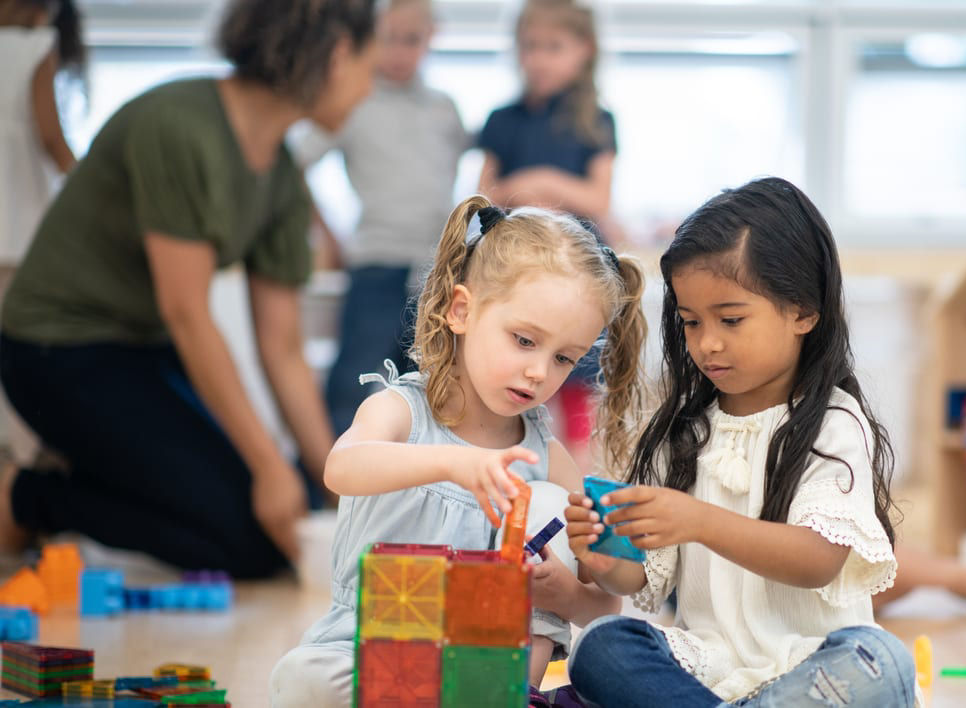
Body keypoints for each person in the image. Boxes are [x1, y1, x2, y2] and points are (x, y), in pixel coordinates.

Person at [0, 0, 378, 577]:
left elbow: (283, 350)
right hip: (56, 350)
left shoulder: (280, 177)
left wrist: (336, 488)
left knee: (288, 505)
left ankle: (95, 470)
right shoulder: (180, 125)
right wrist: (267, 469)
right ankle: (28, 496)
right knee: (246, 542)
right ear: (338, 53)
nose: (368, 90)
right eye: (370, 70)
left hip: (142, 351)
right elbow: (187, 313)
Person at [269, 195, 648, 707]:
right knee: (301, 677)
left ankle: (519, 696)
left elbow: (607, 606)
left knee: (546, 500)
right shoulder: (402, 410)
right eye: (523, 340)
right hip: (372, 651)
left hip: (487, 671)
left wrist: (569, 592)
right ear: (461, 310)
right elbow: (341, 468)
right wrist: (455, 462)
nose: (540, 372)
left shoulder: (544, 454)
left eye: (563, 358)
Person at [565, 177, 920, 707]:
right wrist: (600, 556)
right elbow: (642, 578)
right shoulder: (684, 430)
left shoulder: (833, 423)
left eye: (731, 319)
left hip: (812, 667)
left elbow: (818, 559)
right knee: (599, 646)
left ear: (803, 311)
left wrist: (699, 521)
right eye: (690, 322)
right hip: (705, 670)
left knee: (881, 660)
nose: (707, 342)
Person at [291, 0, 469, 437]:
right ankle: (327, 482)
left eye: (412, 39)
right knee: (355, 375)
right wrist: (328, 234)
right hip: (376, 261)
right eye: (388, 39)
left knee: (428, 379)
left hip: (435, 268)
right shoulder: (353, 101)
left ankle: (416, 481)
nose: (399, 51)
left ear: (431, 37)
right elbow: (292, 162)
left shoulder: (444, 108)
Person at [477, 0, 618, 466]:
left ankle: (577, 472)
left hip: (577, 271)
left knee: (576, 374)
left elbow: (598, 198)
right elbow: (481, 196)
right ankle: (511, 464)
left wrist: (546, 184)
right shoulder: (503, 120)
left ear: (584, 51)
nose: (538, 58)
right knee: (521, 364)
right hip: (522, 271)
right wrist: (514, 191)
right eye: (530, 47)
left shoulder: (596, 121)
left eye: (553, 47)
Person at [0, 0, 84, 464]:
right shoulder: (35, 47)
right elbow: (50, 136)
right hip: (16, 220)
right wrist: (91, 183)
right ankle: (28, 458)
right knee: (21, 346)